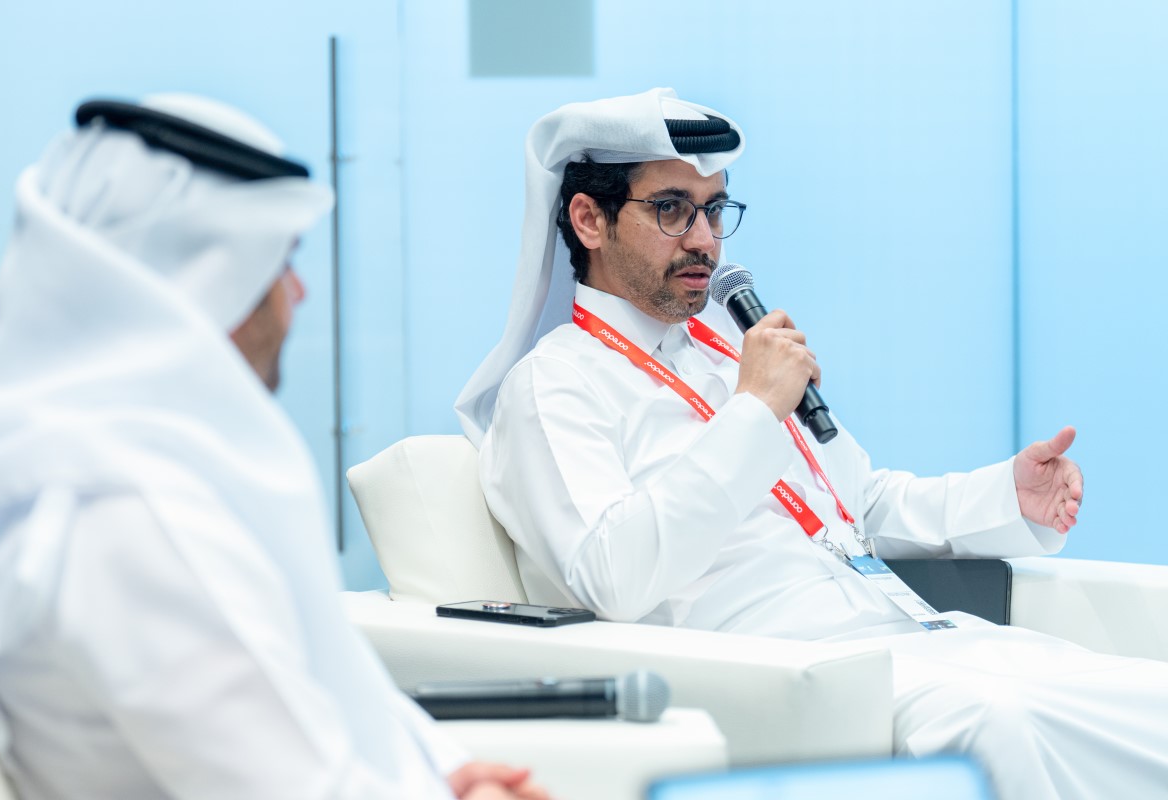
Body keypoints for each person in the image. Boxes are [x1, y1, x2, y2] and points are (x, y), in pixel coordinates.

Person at [457, 87, 1168, 800]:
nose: (705, 241)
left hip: (912, 634)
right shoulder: (554, 384)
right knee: (1004, 722)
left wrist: (1007, 496)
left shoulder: (725, 349)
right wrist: (754, 410)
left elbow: (860, 503)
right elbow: (610, 576)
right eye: (671, 209)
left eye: (714, 209)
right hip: (784, 668)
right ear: (589, 219)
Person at [0, 95, 546, 800]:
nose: (296, 294)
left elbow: (318, 705)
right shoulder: (125, 513)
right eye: (280, 263)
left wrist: (442, 773)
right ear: (208, 277)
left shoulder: (87, 468)